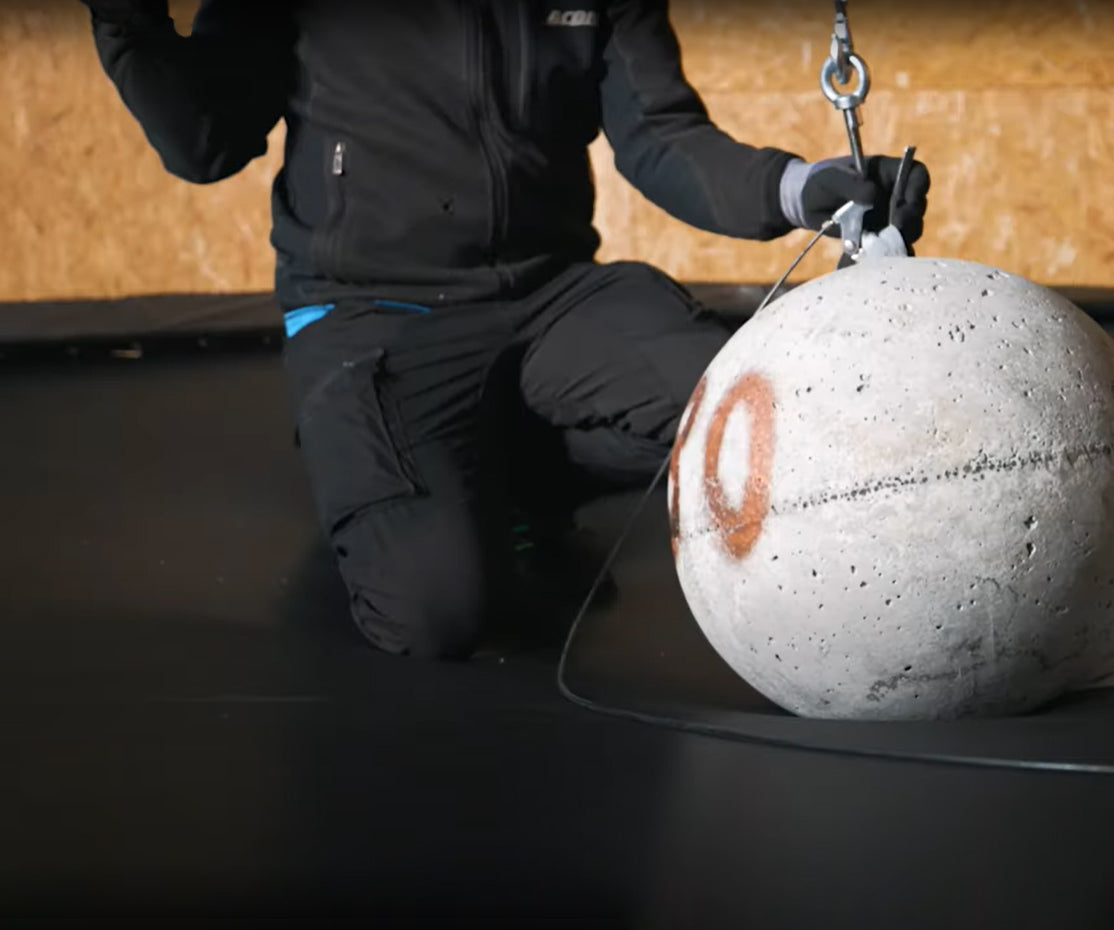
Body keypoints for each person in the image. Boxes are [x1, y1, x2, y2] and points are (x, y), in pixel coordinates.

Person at [82, 0, 930, 660]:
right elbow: (203, 140)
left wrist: (802, 187)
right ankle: (410, 468)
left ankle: (511, 480)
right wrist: (125, 21)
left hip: (551, 297)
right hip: (372, 313)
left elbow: (663, 139)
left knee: (770, 415)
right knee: (436, 615)